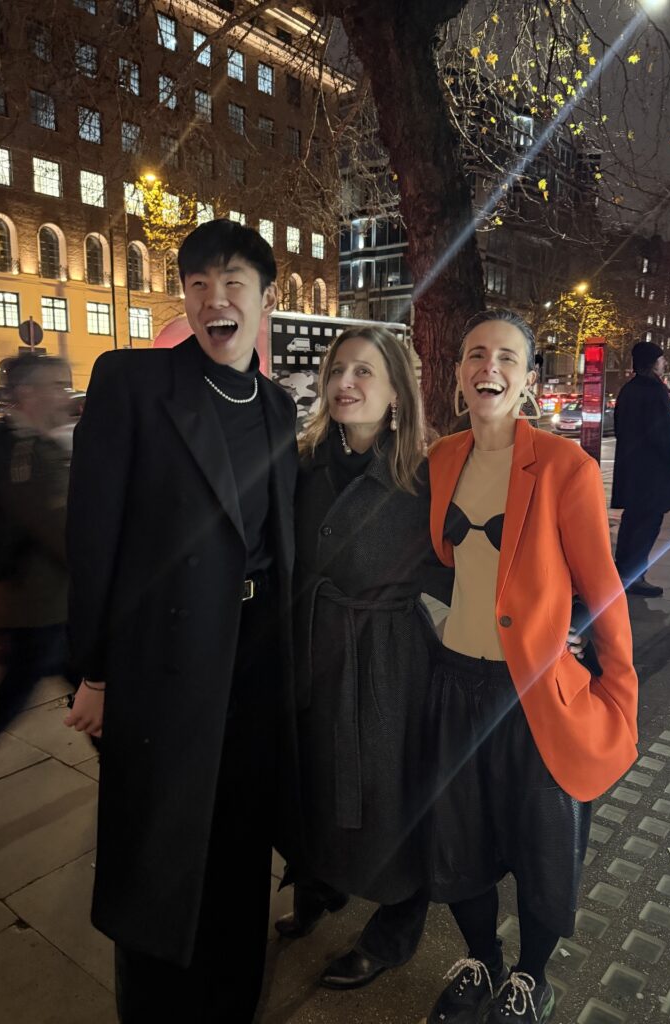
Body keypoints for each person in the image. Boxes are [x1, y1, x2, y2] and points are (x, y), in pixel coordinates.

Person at [64, 220, 298, 1023]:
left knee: (240, 839)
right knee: (158, 850)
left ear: (265, 300)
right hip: (163, 663)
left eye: (233, 283)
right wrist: (93, 671)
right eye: (198, 284)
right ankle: (156, 1006)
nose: (213, 300)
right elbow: (92, 535)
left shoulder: (277, 408)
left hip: (254, 660)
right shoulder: (132, 382)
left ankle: (233, 996)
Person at [425, 309, 638, 1024]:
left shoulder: (564, 467)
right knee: (458, 840)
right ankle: (482, 958)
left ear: (527, 379)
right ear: (458, 374)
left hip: (534, 695)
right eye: (475, 354)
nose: (489, 367)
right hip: (456, 683)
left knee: (544, 846)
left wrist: (618, 693)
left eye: (507, 357)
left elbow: (603, 590)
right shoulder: (440, 460)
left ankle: (530, 977)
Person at [277, 325, 450, 988]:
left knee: (389, 797)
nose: (345, 383)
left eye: (364, 372)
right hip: (312, 645)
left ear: (397, 390)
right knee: (313, 779)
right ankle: (319, 883)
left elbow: (466, 566)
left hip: (387, 660)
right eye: (337, 370)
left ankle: (395, 928)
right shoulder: (302, 460)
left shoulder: (425, 473)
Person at [0, 355, 76, 763]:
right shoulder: (25, 454)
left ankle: (126, 769)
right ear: (27, 393)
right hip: (38, 612)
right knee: (3, 708)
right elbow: (59, 533)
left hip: (46, 608)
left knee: (90, 694)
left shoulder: (32, 446)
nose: (65, 396)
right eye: (56, 386)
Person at [611, 340, 670, 597]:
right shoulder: (653, 391)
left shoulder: (629, 390)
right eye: (661, 359)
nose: (664, 363)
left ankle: (623, 572)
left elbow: (621, 429)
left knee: (632, 522)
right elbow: (662, 436)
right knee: (647, 524)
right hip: (652, 473)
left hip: (633, 470)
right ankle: (634, 576)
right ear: (653, 363)